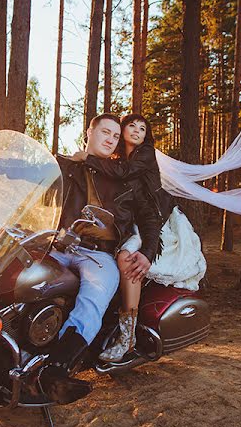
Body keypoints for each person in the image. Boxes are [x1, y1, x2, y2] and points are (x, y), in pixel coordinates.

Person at [38, 113, 162, 404]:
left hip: (97, 255)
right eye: (105, 132)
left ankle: (57, 369)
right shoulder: (62, 165)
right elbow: (26, 175)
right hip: (53, 247)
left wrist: (146, 252)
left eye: (115, 136)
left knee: (94, 296)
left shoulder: (126, 178)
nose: (110, 139)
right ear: (89, 134)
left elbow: (150, 218)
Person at [73, 113, 206, 362]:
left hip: (157, 217)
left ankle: (128, 336)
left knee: (126, 258)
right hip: (134, 220)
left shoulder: (142, 155)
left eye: (142, 128)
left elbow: (125, 174)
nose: (136, 131)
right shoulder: (118, 160)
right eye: (131, 126)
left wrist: (88, 158)